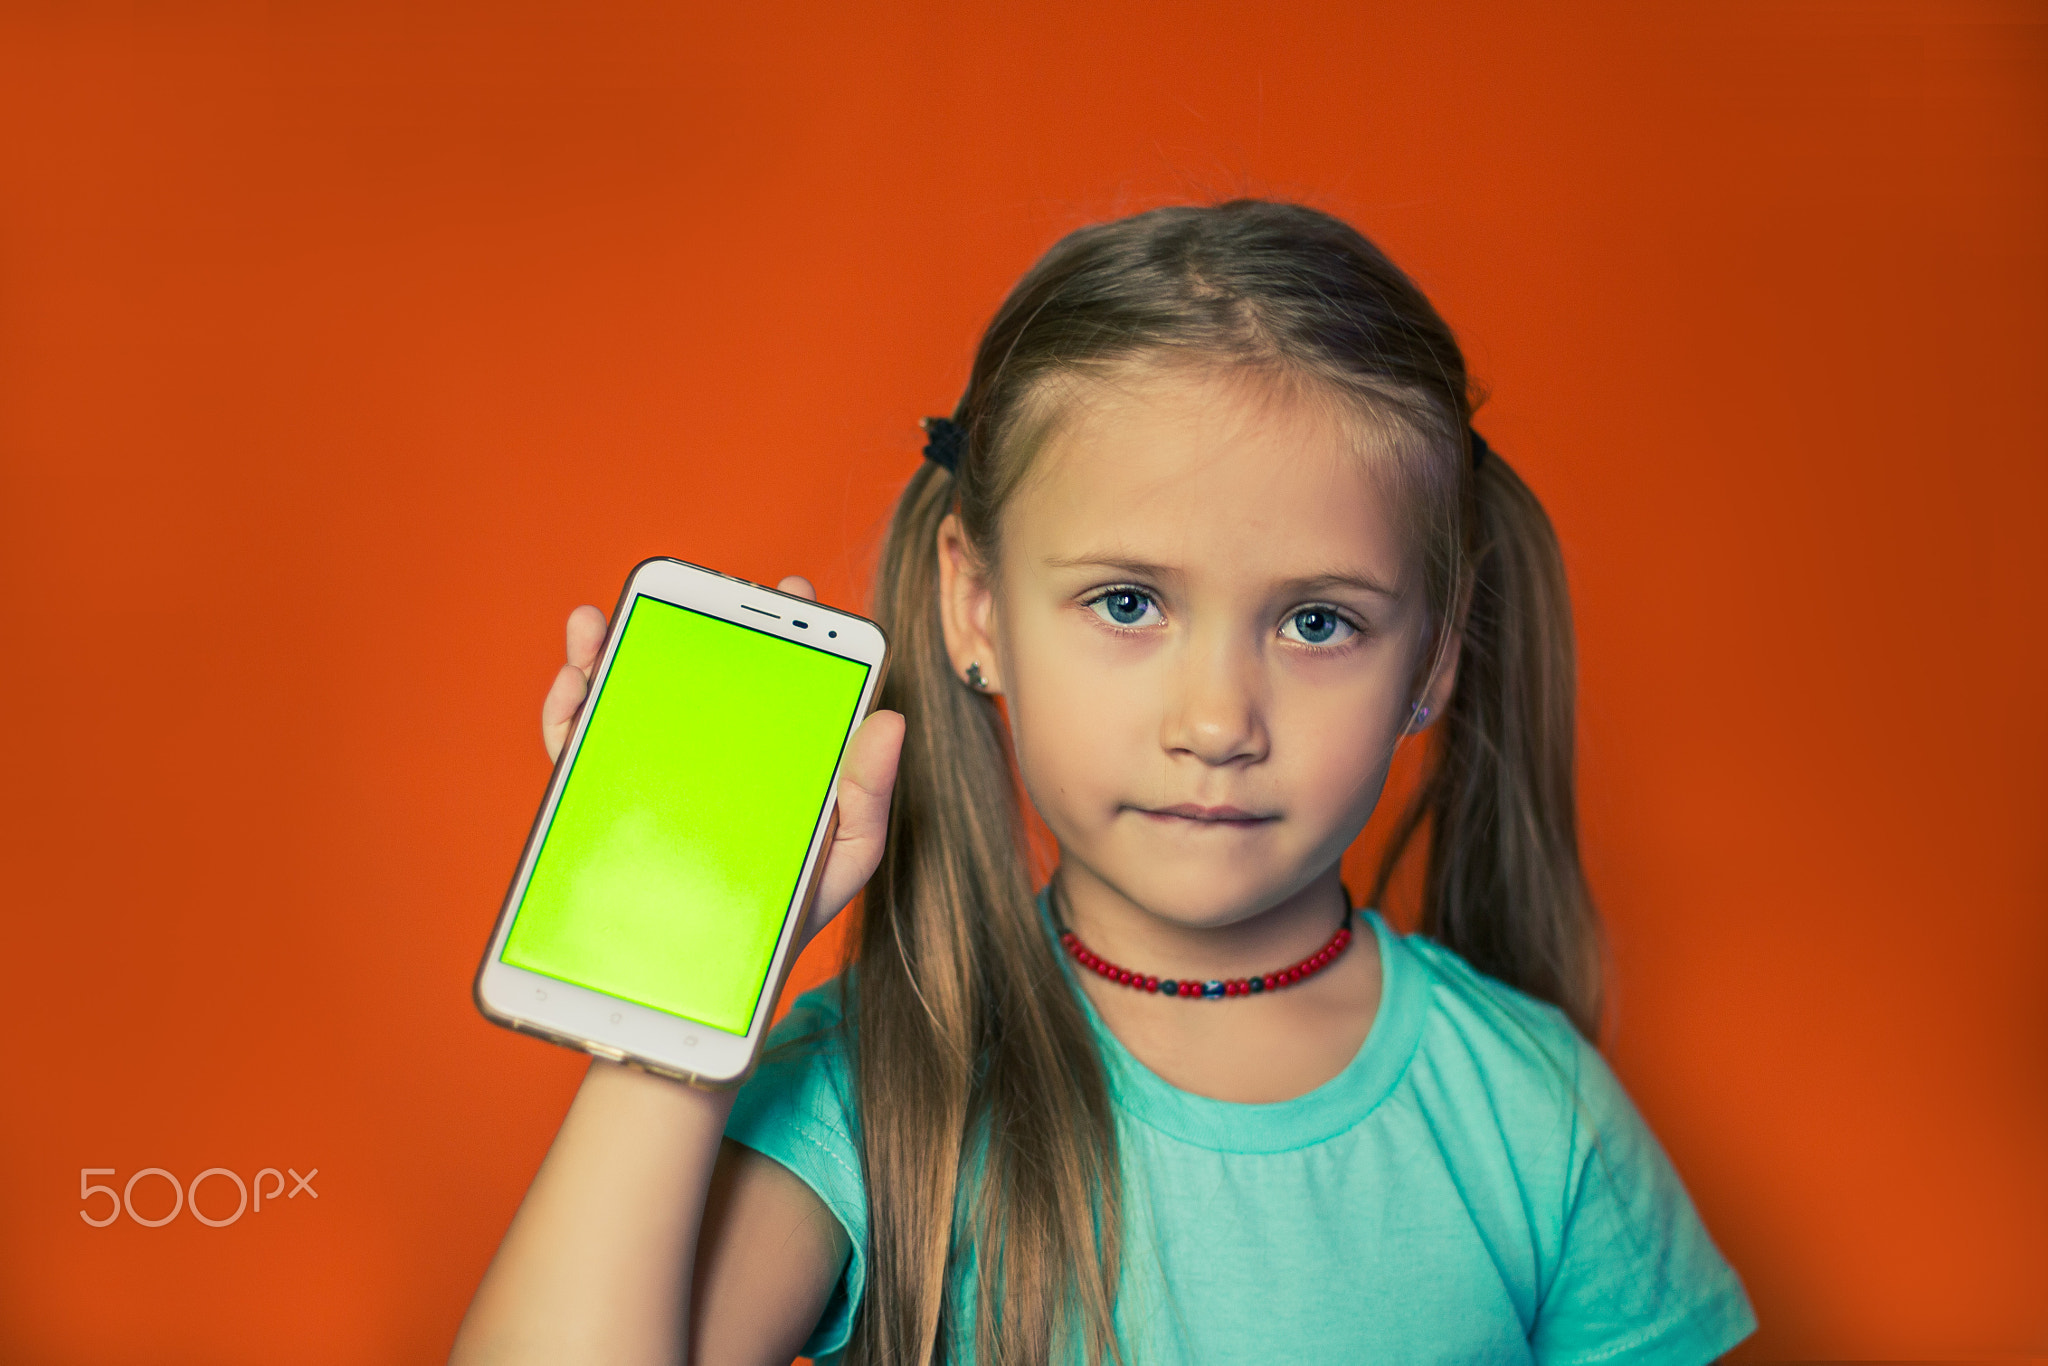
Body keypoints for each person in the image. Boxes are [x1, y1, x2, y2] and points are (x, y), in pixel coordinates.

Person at [450, 200, 1756, 1365]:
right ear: (976, 607)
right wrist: (684, 995)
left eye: (1318, 623)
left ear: (1434, 654)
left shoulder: (1535, 1112)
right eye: (1128, 602)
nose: (1216, 720)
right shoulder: (879, 1092)